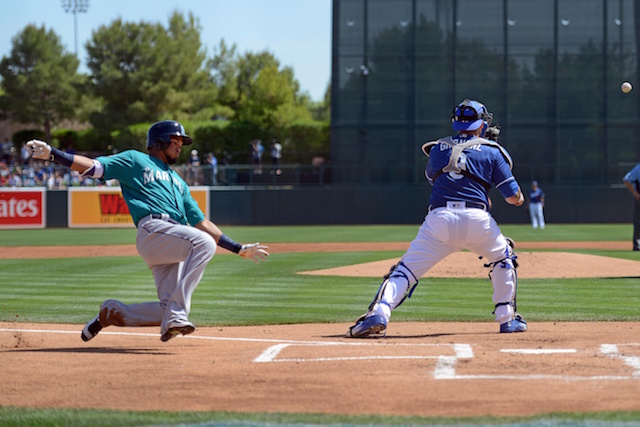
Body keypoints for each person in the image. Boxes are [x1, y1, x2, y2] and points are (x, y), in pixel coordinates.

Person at [26, 120, 269, 342]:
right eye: (176, 141)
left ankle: (111, 313)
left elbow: (201, 223)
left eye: (181, 143)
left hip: (173, 241)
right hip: (153, 230)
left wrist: (238, 248)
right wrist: (53, 155)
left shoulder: (179, 182)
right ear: (159, 142)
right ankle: (176, 316)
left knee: (168, 305)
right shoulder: (135, 160)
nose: (180, 146)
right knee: (203, 244)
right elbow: (95, 167)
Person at [346, 99, 527, 338]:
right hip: (477, 219)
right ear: (482, 124)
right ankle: (507, 318)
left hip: (439, 219)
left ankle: (378, 313)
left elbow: (439, 180)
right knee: (503, 257)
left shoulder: (438, 148)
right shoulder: (492, 152)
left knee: (405, 271)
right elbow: (513, 198)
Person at [623, 162, 640, 251]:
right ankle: (637, 244)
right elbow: (627, 179)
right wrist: (635, 193)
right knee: (638, 221)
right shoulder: (638, 168)